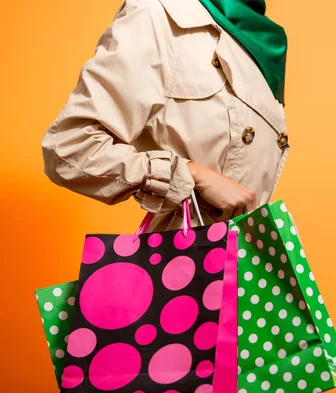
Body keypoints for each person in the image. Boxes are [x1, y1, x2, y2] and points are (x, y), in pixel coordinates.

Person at [41, 0, 290, 232]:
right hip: (186, 266)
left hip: (246, 264)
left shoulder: (266, 43)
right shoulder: (160, 13)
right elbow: (68, 145)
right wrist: (191, 175)